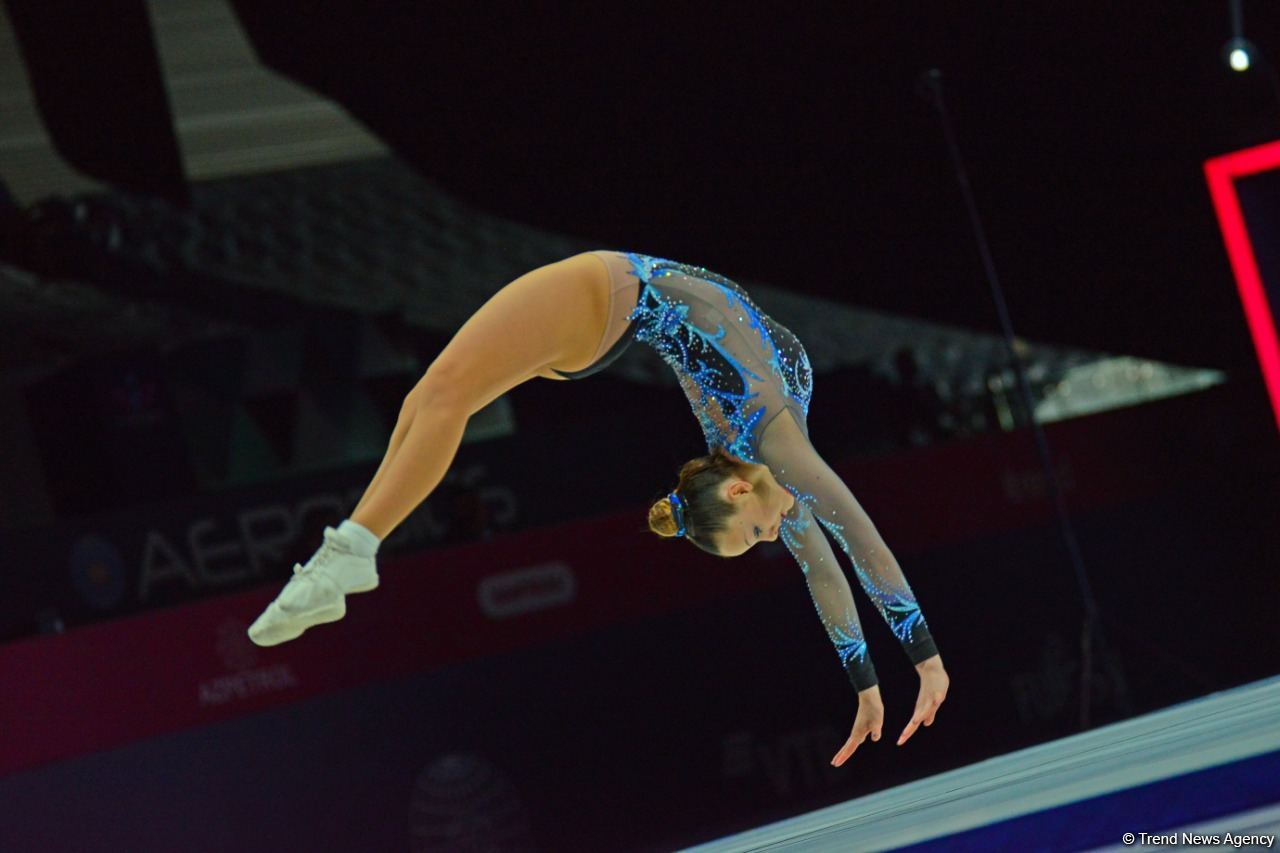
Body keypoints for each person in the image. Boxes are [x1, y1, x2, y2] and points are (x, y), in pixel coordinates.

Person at [248, 249, 948, 764]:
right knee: (427, 400)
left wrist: (874, 678)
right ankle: (349, 553)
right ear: (738, 490)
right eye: (762, 531)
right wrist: (914, 666)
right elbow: (852, 536)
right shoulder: (777, 442)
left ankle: (350, 553)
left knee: (441, 399)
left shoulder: (763, 456)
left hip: (603, 303)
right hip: (608, 298)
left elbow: (823, 568)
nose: (781, 533)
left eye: (760, 535)